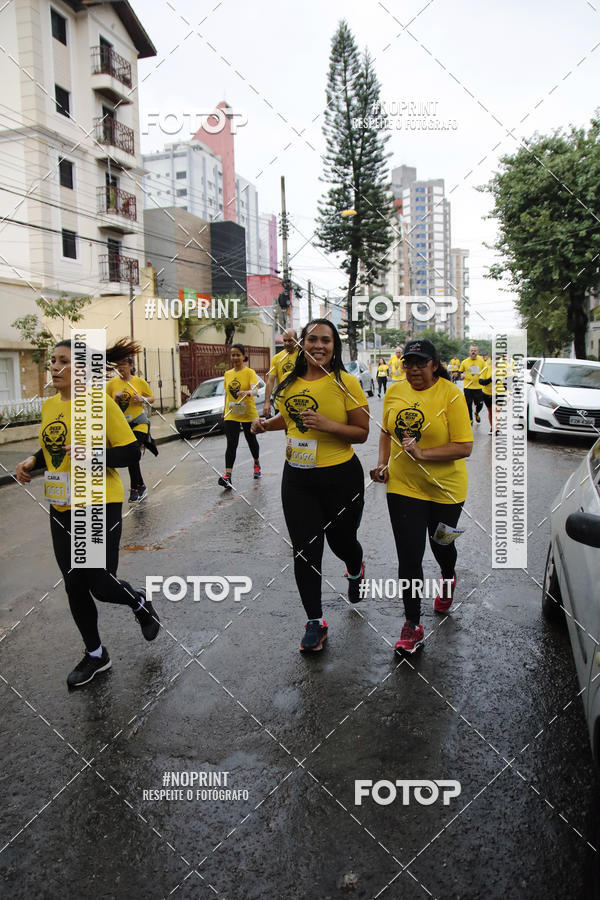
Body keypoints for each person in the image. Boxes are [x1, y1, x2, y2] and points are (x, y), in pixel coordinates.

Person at [15, 338, 160, 688]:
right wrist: (34, 460)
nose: (55, 367)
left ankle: (139, 602)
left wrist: (90, 455)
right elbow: (54, 439)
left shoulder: (100, 404)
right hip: (62, 505)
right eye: (53, 360)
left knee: (99, 583)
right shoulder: (50, 406)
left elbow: (130, 454)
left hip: (98, 500)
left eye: (64, 360)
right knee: (74, 585)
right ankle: (96, 655)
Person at [251, 319, 369, 652]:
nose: (319, 345)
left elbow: (362, 432)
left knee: (341, 541)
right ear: (302, 343)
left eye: (326, 340)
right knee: (305, 549)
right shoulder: (288, 383)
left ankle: (354, 567)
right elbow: (289, 419)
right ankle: (315, 621)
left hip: (341, 477)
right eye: (312, 339)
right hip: (298, 479)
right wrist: (265, 425)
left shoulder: (347, 383)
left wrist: (328, 424)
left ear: (335, 346)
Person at [370, 338, 473, 654]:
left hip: (447, 490)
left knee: (442, 544)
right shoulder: (395, 392)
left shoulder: (451, 395)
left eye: (420, 362)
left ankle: (447, 576)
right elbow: (386, 432)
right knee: (410, 556)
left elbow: (464, 446)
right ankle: (412, 625)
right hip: (404, 487)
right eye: (409, 363)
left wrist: (423, 453)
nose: (413, 368)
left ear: (434, 364)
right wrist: (382, 464)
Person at [106, 357, 156, 502]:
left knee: (132, 452)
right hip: (123, 426)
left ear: (131, 366)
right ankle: (140, 486)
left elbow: (152, 398)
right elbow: (107, 405)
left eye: (123, 365)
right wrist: (115, 399)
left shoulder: (139, 382)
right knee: (132, 456)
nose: (120, 369)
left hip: (140, 423)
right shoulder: (112, 384)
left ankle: (135, 489)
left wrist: (142, 399)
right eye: (118, 366)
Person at [218, 343, 261, 489]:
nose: (235, 357)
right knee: (231, 443)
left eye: (238, 354)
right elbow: (226, 394)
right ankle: (228, 476)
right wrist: (224, 411)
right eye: (233, 355)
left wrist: (247, 392)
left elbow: (255, 390)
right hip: (232, 413)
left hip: (248, 412)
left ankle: (256, 463)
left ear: (243, 356)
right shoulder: (228, 374)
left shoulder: (250, 372)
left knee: (251, 440)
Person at [262, 329, 299, 417]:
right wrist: (267, 402)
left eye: (290, 340)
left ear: (296, 340)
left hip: (299, 401)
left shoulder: (303, 355)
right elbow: (270, 381)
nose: (286, 343)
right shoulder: (276, 358)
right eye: (284, 340)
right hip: (282, 402)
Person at [459, 345, 485, 425]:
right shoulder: (464, 362)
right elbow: (461, 372)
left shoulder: (482, 362)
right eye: (472, 350)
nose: (473, 352)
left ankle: (477, 412)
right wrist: (462, 375)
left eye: (475, 350)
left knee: (480, 404)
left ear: (477, 352)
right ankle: (470, 419)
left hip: (478, 387)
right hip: (468, 387)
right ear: (469, 352)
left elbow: (485, 371)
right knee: (468, 404)